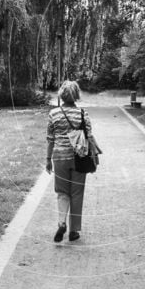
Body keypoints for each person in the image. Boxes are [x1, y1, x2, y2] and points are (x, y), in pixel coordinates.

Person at [46, 80, 94, 242]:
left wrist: (48, 159)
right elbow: (89, 136)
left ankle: (61, 223)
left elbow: (50, 139)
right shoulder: (82, 113)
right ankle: (74, 231)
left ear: (62, 95)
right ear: (76, 95)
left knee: (62, 192)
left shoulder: (54, 114)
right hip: (79, 158)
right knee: (77, 193)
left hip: (59, 158)